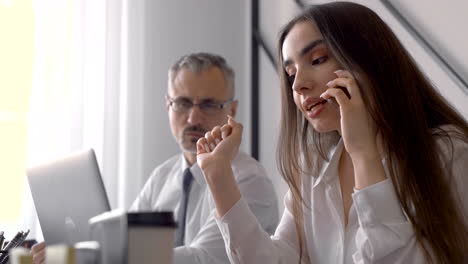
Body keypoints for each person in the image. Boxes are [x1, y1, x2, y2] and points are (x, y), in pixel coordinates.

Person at [196, 2, 468, 264]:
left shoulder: (447, 154)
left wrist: (364, 156)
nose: (299, 85)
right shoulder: (314, 169)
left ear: (370, 60)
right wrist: (218, 175)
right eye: (291, 74)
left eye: (318, 59)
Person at [31, 53, 279, 264]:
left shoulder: (248, 179)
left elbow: (204, 258)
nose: (193, 118)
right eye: (182, 103)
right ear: (167, 106)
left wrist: (96, 256)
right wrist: (71, 254)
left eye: (209, 105)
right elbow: (125, 244)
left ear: (231, 111)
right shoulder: (162, 176)